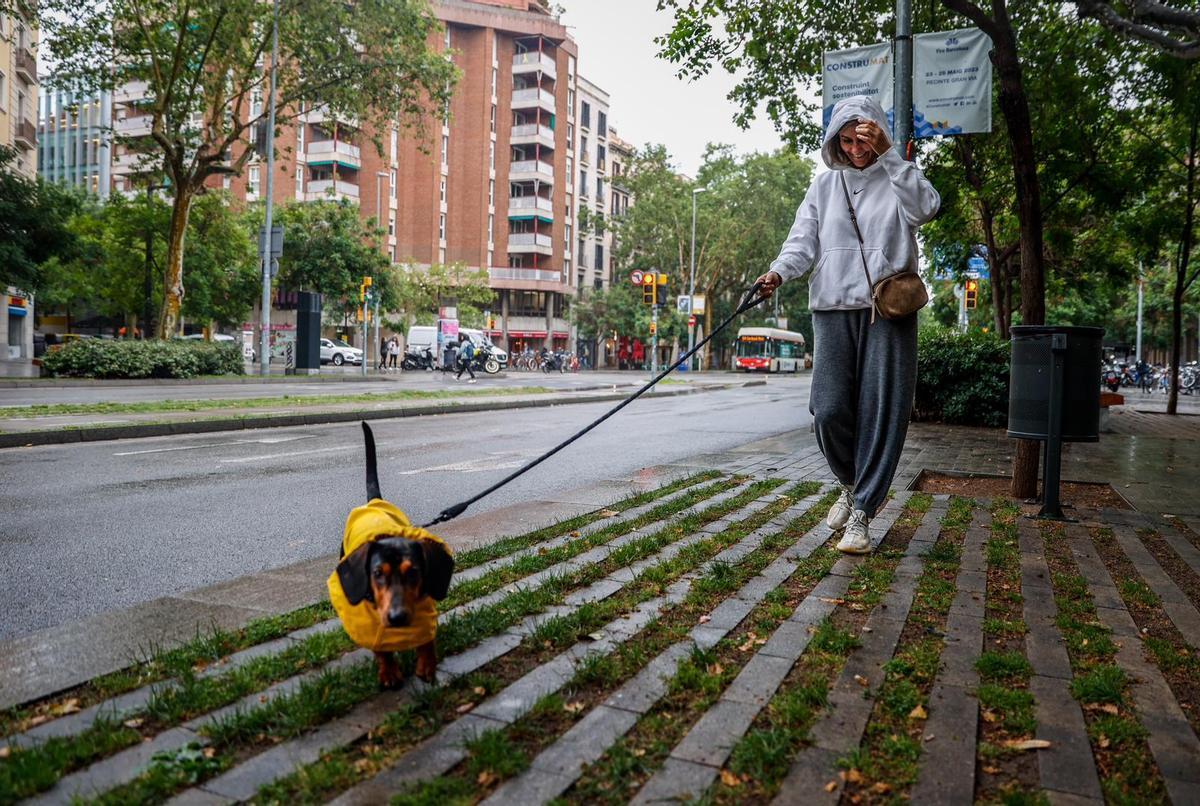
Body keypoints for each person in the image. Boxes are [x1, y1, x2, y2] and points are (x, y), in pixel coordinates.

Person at [756, 95, 940, 555]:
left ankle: (861, 512)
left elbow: (927, 208)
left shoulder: (899, 177)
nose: (855, 148)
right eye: (846, 139)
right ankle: (851, 485)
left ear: (877, 133)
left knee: (882, 412)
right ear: (835, 140)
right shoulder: (824, 185)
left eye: (864, 138)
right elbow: (802, 241)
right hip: (833, 305)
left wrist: (892, 157)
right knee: (829, 409)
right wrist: (778, 272)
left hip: (888, 310)